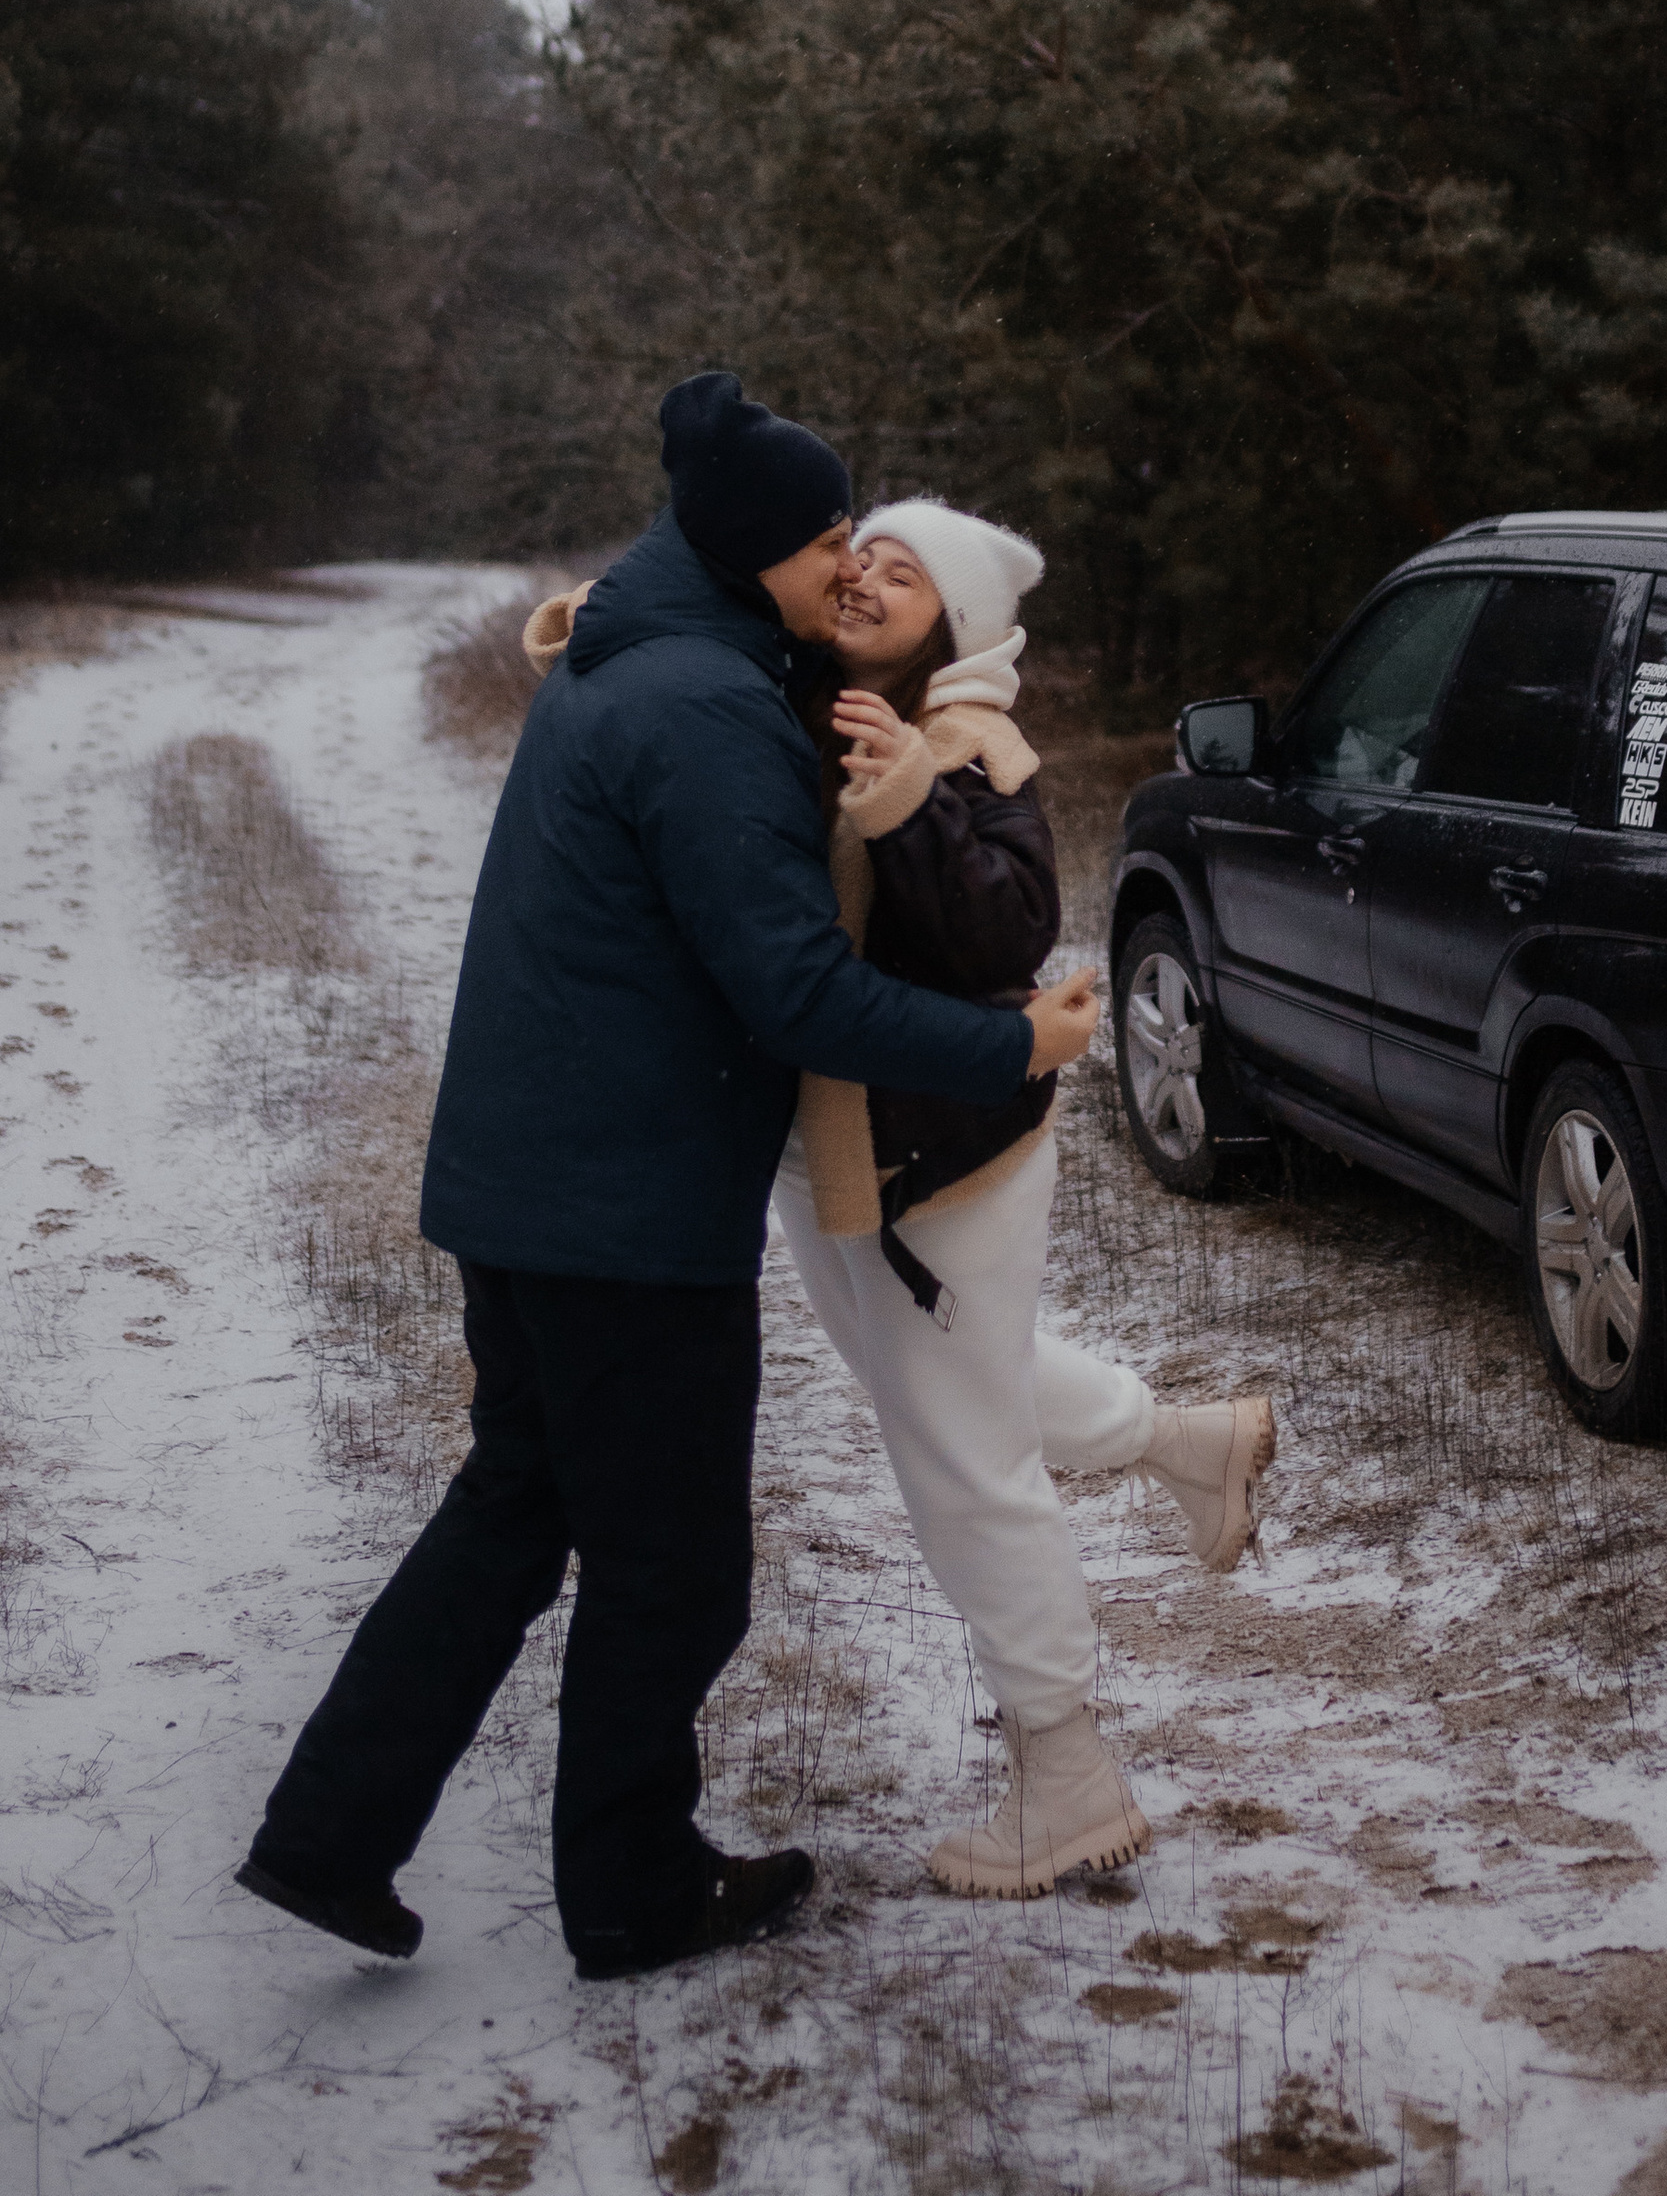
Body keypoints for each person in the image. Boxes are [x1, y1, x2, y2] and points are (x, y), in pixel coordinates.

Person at [234, 375, 1100, 1986]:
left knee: (517, 1505)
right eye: (833, 538)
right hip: (621, 1213)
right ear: (759, 548)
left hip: (527, 1178)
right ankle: (633, 1891)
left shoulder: (645, 647)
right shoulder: (702, 711)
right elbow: (796, 990)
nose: (850, 563)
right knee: (676, 1571)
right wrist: (1015, 1043)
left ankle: (329, 1836)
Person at [768, 498, 1276, 1900]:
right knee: (943, 1382)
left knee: (962, 1456)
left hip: (947, 1156)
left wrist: (905, 803)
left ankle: (1068, 1773)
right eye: (861, 555)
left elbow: (1009, 925)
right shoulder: (820, 690)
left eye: (904, 572)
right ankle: (1188, 1444)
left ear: (959, 625)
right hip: (835, 1145)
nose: (866, 577)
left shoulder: (968, 742)